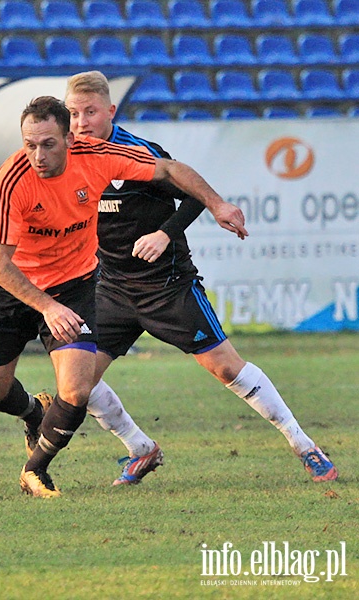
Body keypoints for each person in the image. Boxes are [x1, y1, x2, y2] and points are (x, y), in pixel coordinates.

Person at [63, 70, 338, 485]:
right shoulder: (67, 161)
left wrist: (164, 233)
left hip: (166, 286)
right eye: (73, 113)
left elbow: (190, 193)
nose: (81, 122)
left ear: (110, 112)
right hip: (112, 290)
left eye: (90, 112)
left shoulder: (139, 153)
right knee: (76, 386)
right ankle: (140, 449)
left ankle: (304, 445)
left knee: (227, 369)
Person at [0, 96, 248, 498]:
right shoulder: (11, 180)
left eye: (48, 144)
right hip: (16, 287)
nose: (37, 154)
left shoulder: (98, 155)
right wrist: (46, 307)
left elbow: (170, 169)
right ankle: (36, 412)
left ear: (69, 138)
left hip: (74, 285)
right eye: (29, 144)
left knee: (77, 391)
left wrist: (218, 204)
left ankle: (34, 471)